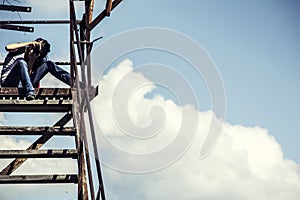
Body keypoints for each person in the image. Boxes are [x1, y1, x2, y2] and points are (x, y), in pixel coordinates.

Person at [0, 38, 70, 100]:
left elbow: (28, 78)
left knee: (48, 64)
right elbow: (7, 47)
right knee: (21, 61)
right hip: (9, 82)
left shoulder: (37, 59)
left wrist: (32, 60)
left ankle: (73, 82)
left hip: (25, 85)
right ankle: (30, 92)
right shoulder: (20, 49)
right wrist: (30, 43)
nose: (34, 49)